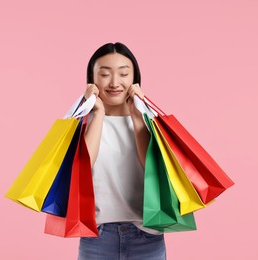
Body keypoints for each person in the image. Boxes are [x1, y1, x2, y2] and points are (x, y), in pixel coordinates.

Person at [78, 42, 166, 260]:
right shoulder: (80, 123)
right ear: (92, 80)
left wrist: (138, 117)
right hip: (96, 236)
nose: (115, 82)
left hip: (147, 236)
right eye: (105, 74)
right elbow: (81, 169)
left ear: (134, 79)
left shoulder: (151, 123)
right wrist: (97, 114)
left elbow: (156, 170)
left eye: (124, 74)